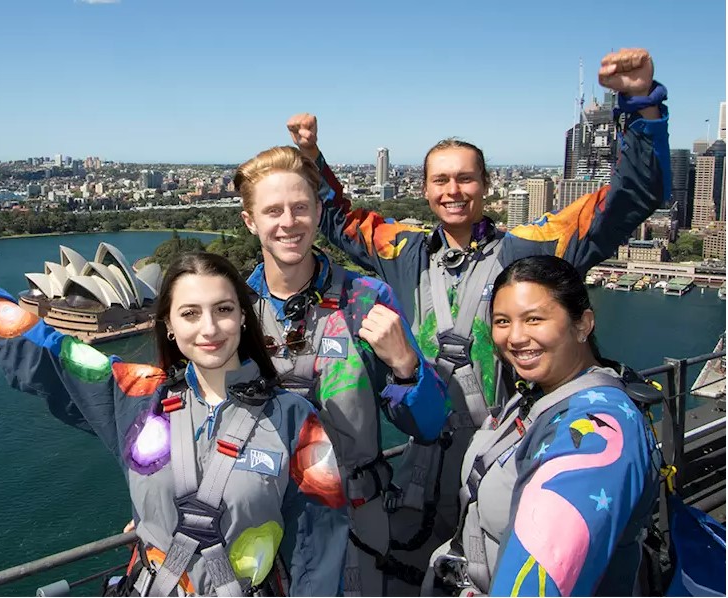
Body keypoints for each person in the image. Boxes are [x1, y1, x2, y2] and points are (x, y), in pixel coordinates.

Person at [286, 47, 669, 593]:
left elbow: (631, 198)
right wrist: (310, 155)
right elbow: (340, 221)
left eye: (465, 179)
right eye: (440, 181)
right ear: (424, 190)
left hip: (511, 458)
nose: (452, 191)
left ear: (486, 184)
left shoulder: (530, 247)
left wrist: (641, 104)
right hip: (427, 467)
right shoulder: (405, 251)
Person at [0, 251, 351, 596]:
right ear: (170, 327)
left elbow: (319, 544)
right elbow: (55, 353)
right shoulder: (140, 397)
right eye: (190, 313)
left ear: (242, 317)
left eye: (223, 309)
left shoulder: (295, 419)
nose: (210, 327)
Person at [233, 145, 449, 595]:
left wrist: (407, 367)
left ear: (316, 212)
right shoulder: (231, 310)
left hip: (351, 522)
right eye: (273, 210)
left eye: (300, 207)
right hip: (255, 516)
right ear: (250, 220)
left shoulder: (365, 299)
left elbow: (428, 425)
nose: (288, 222)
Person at [422, 254, 659, 596]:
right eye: (502, 321)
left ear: (583, 324)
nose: (515, 337)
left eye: (534, 319)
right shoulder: (535, 394)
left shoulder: (596, 433)